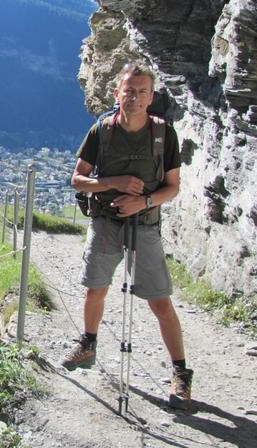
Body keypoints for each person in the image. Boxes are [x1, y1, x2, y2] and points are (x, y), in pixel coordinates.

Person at [62, 62, 193, 407]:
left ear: (151, 97)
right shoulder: (102, 131)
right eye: (129, 91)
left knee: (160, 301)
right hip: (106, 220)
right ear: (117, 93)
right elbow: (77, 180)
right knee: (95, 288)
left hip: (144, 222)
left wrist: (143, 202)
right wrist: (115, 182)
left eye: (142, 92)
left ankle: (180, 372)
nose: (134, 97)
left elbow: (172, 187)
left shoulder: (163, 134)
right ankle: (88, 342)